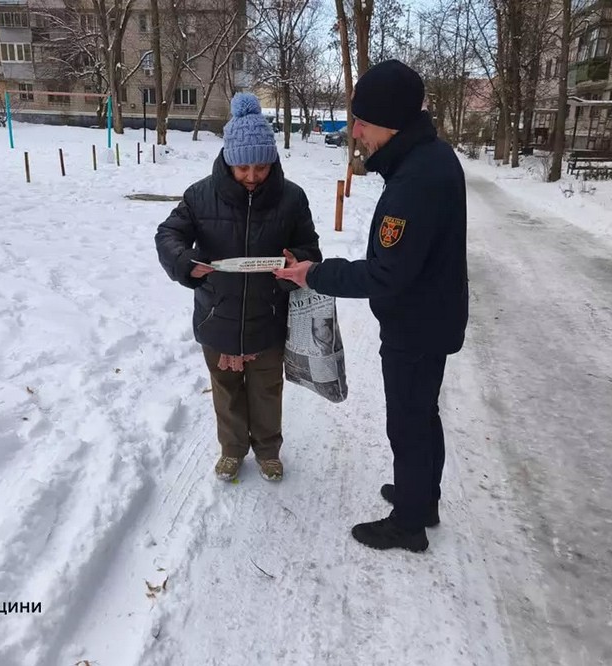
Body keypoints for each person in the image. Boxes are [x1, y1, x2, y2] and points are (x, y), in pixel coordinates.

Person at [275, 60, 468, 552]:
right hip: (430, 316)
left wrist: (314, 273)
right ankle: (421, 498)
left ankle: (409, 523)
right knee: (422, 414)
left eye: (362, 121)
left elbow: (386, 273)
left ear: (391, 121)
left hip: (416, 325)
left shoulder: (416, 181)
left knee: (408, 421)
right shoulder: (429, 159)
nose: (355, 131)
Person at [155, 92, 321, 482]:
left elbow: (310, 247)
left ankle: (268, 450)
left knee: (266, 390)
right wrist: (183, 261)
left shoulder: (292, 198)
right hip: (217, 315)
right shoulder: (199, 196)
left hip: (268, 317)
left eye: (261, 167)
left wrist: (297, 260)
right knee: (226, 390)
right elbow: (168, 235)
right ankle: (232, 450)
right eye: (242, 167)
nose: (251, 176)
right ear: (228, 160)